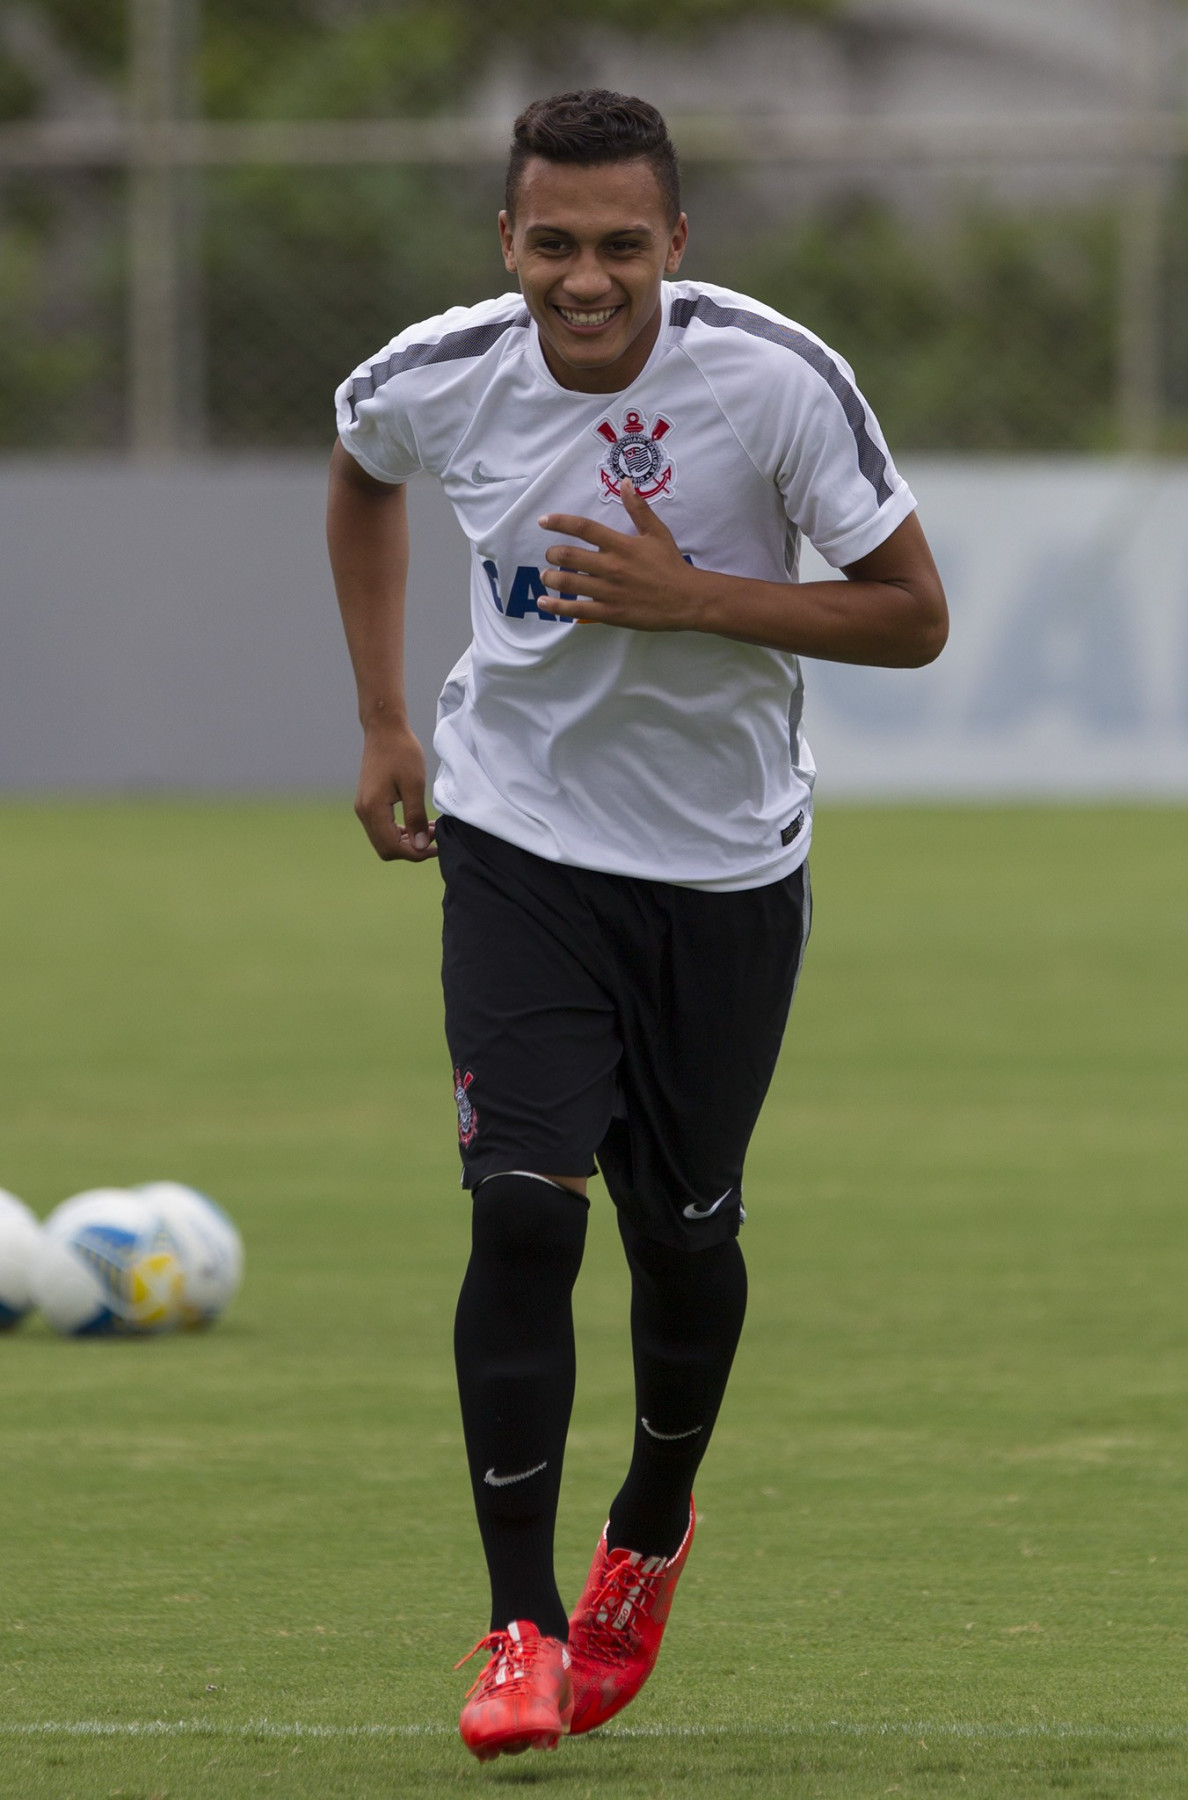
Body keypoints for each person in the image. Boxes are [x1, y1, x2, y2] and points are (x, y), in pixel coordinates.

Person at [327, 88, 947, 1763]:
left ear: (674, 244)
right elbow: (363, 476)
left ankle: (649, 1533)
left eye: (619, 245)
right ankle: (518, 1622)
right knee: (524, 1213)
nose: (583, 278)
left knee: (684, 1237)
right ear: (507, 243)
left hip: (725, 870)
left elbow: (914, 618)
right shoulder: (441, 372)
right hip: (518, 842)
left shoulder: (773, 380)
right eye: (552, 245)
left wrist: (699, 599)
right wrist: (388, 721)